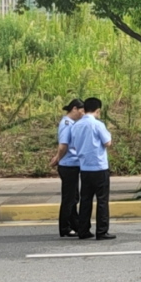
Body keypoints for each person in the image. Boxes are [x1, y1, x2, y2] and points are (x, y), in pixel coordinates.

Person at [70, 97, 115, 240]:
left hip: (84, 167)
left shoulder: (76, 126)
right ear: (98, 110)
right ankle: (101, 231)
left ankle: (83, 230)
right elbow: (107, 142)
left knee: (85, 200)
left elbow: (74, 145)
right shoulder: (98, 124)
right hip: (99, 166)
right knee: (102, 200)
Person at [50, 98, 83, 238]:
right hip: (68, 165)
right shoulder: (67, 124)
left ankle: (76, 225)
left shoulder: (72, 123)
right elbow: (63, 146)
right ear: (74, 109)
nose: (83, 114)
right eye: (82, 111)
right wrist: (58, 158)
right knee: (69, 198)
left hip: (73, 164)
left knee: (74, 197)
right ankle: (65, 227)